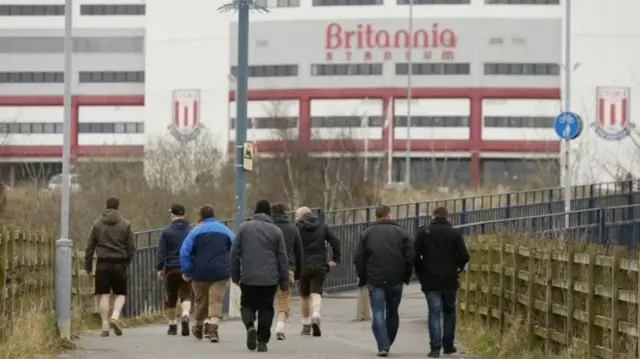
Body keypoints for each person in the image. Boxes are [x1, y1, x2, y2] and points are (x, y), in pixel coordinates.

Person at [353, 205, 413, 357]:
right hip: (396, 278)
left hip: (375, 278)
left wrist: (363, 277)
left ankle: (383, 344)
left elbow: (358, 258)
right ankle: (388, 342)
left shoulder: (366, 233)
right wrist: (406, 276)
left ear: (376, 216)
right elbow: (409, 257)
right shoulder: (402, 233)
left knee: (378, 312)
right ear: (389, 215)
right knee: (393, 312)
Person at [230, 199, 289, 352]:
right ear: (269, 213)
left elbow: (234, 254)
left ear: (255, 212)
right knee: (266, 308)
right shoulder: (276, 231)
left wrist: (235, 275)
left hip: (248, 276)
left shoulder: (243, 228)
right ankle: (262, 341)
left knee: (247, 304)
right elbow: (282, 258)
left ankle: (250, 326)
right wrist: (284, 281)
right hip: (269, 278)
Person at [414, 207, 470, 358]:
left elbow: (415, 254)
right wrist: (458, 266)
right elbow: (464, 255)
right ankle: (448, 345)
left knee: (434, 312)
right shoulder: (454, 233)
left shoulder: (424, 233)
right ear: (447, 217)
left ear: (433, 216)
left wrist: (421, 271)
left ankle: (435, 348)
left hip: (430, 279)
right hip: (449, 278)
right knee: (449, 312)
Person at [179, 204, 235, 343]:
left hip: (200, 273)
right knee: (216, 301)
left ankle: (198, 327)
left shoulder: (195, 232)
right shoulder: (225, 230)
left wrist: (187, 270)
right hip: (220, 272)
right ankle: (213, 328)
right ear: (214, 215)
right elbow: (236, 246)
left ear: (200, 217)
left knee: (200, 301)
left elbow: (184, 251)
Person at [84, 196, 136, 337]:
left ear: (106, 206)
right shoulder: (126, 224)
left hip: (103, 263)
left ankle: (105, 326)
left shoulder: (97, 224)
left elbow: (90, 246)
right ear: (118, 207)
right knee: (120, 294)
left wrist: (88, 266)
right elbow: (131, 247)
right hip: (119, 262)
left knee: (104, 294)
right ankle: (115, 316)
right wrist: (127, 261)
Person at [295, 206, 341, 337]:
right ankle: (316, 315)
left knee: (304, 295)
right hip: (320, 263)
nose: (296, 218)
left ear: (302, 216)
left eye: (297, 215)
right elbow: (335, 241)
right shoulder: (323, 226)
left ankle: (306, 324)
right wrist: (336, 259)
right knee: (316, 292)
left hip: (303, 265)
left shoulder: (297, 227)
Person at [156, 204, 193, 336]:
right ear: (184, 214)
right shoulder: (191, 230)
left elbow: (161, 251)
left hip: (171, 268)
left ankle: (172, 325)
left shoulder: (166, 231)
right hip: (186, 268)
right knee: (187, 294)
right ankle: (185, 314)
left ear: (172, 214)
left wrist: (160, 268)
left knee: (171, 297)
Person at [271, 203, 304, 340]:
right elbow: (299, 252)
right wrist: (298, 273)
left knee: (268, 298)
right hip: (288, 268)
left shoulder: (268, 228)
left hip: (269, 269)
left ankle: (264, 324)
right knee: (284, 298)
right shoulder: (292, 228)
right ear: (285, 213)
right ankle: (280, 326)